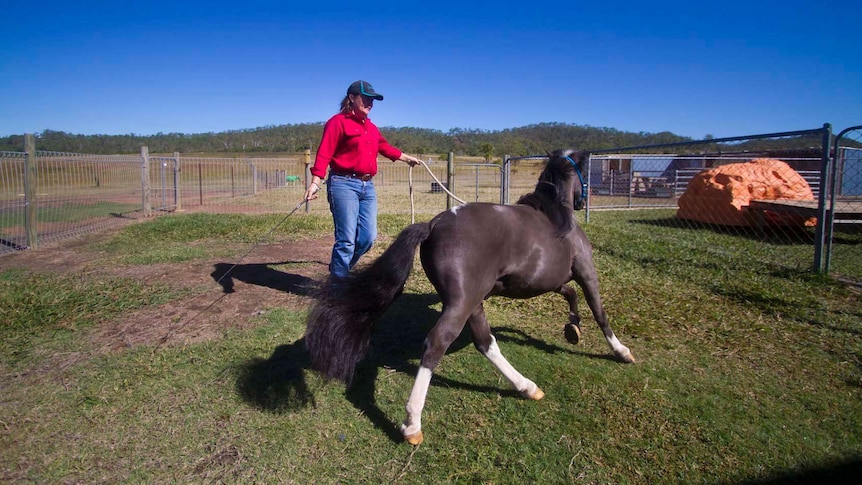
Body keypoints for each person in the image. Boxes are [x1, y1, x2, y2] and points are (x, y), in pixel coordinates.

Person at [304, 80, 421, 282]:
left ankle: (340, 268)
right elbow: (324, 154)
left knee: (367, 238)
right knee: (346, 240)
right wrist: (315, 182)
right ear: (352, 98)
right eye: (366, 98)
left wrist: (405, 157)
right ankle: (337, 289)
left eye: (372, 100)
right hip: (343, 184)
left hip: (368, 187)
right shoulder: (337, 122)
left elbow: (384, 147)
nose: (370, 103)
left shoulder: (371, 128)